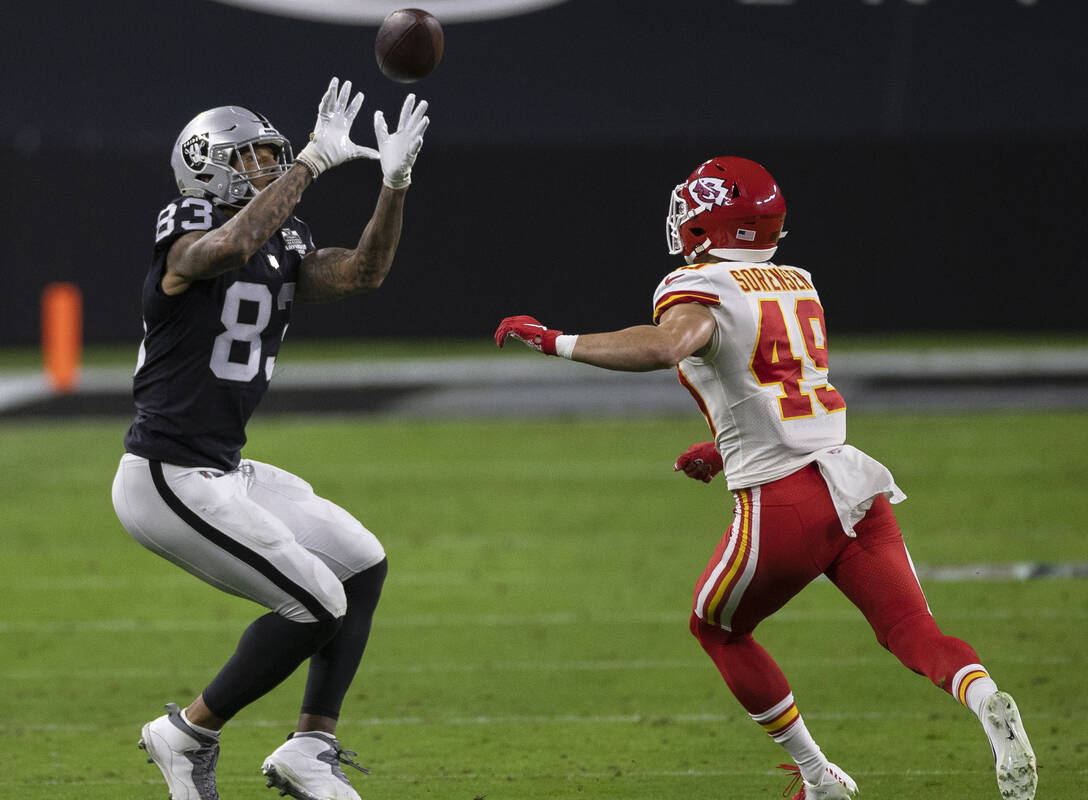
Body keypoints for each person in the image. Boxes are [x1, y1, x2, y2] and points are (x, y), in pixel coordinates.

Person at [493, 156, 1038, 800]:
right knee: (912, 631)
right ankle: (984, 699)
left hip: (785, 505)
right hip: (852, 486)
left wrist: (558, 341)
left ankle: (818, 778)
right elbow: (780, 391)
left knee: (716, 629)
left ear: (714, 219)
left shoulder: (701, 288)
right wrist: (724, 448)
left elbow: (667, 345)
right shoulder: (795, 282)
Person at [110, 77, 429, 800]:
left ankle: (311, 746)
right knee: (316, 602)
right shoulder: (187, 228)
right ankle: (187, 732)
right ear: (204, 166)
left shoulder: (281, 234)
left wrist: (395, 185)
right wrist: (311, 164)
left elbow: (362, 272)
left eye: (269, 156)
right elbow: (230, 243)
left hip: (221, 469)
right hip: (166, 475)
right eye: (249, 158)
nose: (265, 166)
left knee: (361, 565)